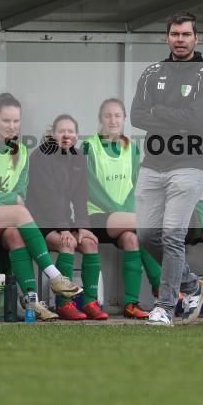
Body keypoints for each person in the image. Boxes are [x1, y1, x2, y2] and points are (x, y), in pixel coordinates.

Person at [0, 92, 83, 321]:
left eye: (16, 121)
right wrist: (7, 200)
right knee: (19, 212)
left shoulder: (21, 152)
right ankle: (54, 276)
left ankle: (31, 302)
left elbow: (21, 195)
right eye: (7, 120)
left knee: (15, 232)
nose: (12, 126)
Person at [131, 11, 203, 326]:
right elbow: (137, 116)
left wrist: (161, 112)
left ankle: (165, 307)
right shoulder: (152, 72)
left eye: (186, 34)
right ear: (166, 38)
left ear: (197, 38)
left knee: (171, 236)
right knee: (146, 235)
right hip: (152, 164)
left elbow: (196, 120)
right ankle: (193, 285)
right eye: (175, 34)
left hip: (190, 163)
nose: (180, 40)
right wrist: (176, 117)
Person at [84, 98, 163, 320]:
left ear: (124, 119)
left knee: (132, 239)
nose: (113, 120)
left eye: (117, 115)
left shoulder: (133, 149)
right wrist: (117, 211)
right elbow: (89, 187)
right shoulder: (89, 146)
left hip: (124, 217)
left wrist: (124, 212)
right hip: (97, 215)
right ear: (100, 119)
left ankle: (130, 304)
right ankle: (161, 286)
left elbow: (136, 187)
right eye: (108, 115)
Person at [28, 114, 107, 321]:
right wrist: (63, 229)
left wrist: (82, 226)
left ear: (77, 135)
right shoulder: (40, 156)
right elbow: (47, 198)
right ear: (52, 134)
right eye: (61, 131)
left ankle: (90, 302)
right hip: (40, 222)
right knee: (68, 244)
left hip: (63, 220)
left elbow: (81, 196)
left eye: (71, 131)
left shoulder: (79, 157)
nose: (66, 135)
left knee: (89, 243)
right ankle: (65, 304)